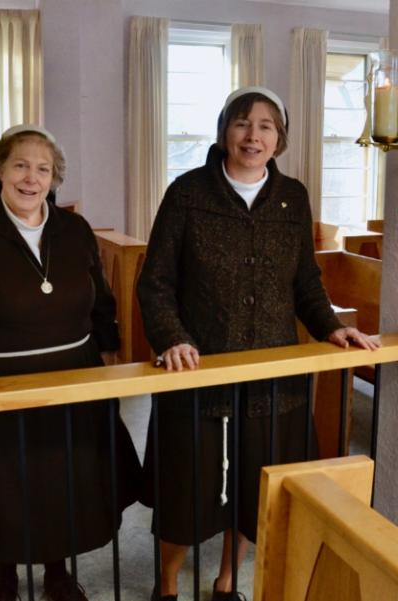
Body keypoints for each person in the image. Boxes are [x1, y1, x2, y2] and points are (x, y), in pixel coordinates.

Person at [137, 87, 379, 601]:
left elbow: (307, 284)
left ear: (280, 138)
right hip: (197, 375)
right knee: (186, 492)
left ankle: (227, 584)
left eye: (266, 125)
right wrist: (173, 338)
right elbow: (154, 281)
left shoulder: (293, 197)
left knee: (256, 489)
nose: (253, 135)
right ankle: (167, 587)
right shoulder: (187, 192)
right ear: (225, 130)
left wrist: (331, 327)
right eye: (243, 123)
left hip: (274, 380)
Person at [0, 124, 141, 601]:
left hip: (73, 376)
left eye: (43, 168)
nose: (31, 177)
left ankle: (58, 570)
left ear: (54, 178)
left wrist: (104, 364)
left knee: (63, 476)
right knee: (7, 478)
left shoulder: (75, 230)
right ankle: (4, 570)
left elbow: (101, 303)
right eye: (20, 164)